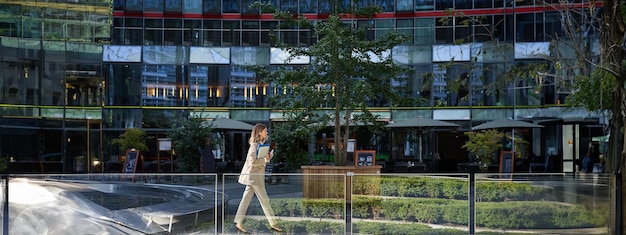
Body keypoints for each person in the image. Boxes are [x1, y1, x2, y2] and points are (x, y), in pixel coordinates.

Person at [234, 123, 283, 233]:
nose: (267, 132)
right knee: (265, 200)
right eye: (265, 130)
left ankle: (238, 222)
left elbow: (260, 161)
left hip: (255, 177)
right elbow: (252, 161)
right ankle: (273, 223)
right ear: (259, 132)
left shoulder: (260, 144)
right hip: (254, 178)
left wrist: (268, 158)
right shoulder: (255, 145)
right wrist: (265, 160)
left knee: (245, 200)